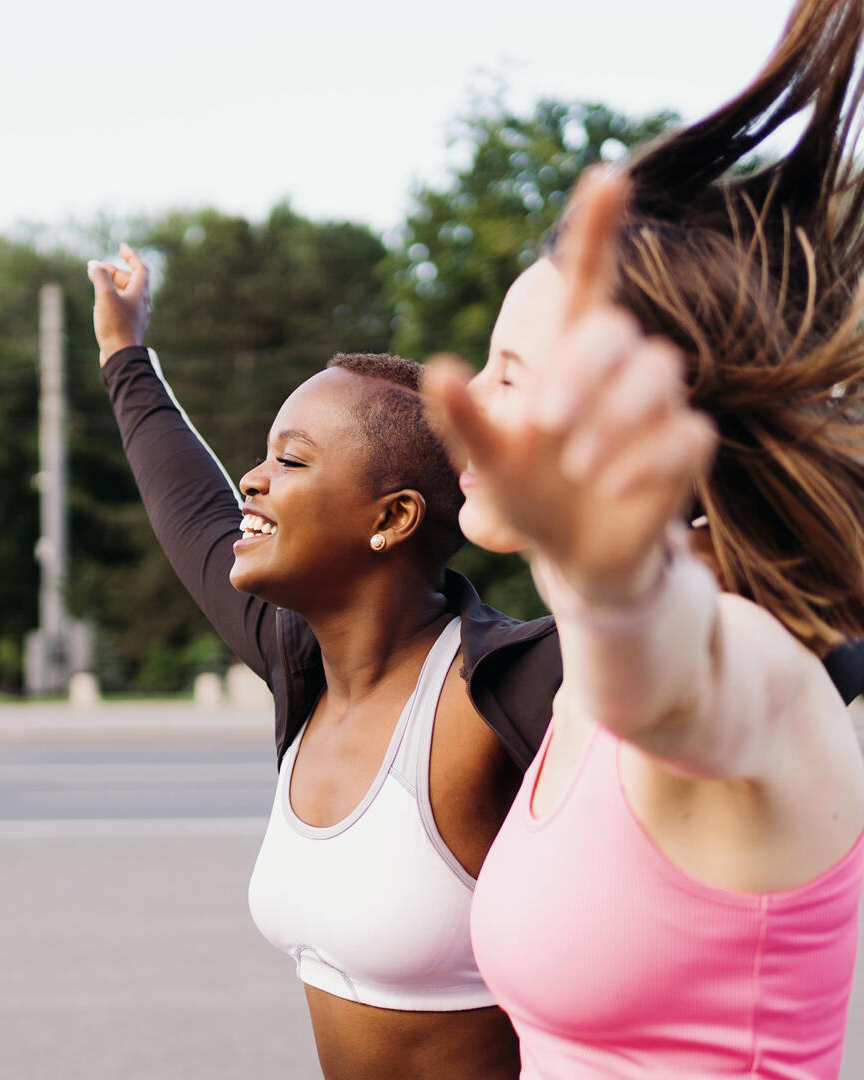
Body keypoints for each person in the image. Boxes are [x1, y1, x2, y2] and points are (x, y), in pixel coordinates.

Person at [429, 2, 864, 1076]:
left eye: (515, 376)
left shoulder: (754, 673)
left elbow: (666, 679)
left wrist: (611, 574)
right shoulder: (576, 676)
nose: (467, 403)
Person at [90, 245, 559, 1079]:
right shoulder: (302, 663)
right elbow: (189, 504)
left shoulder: (505, 689)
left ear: (394, 516)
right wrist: (126, 350)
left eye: (291, 460)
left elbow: (797, 654)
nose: (252, 481)